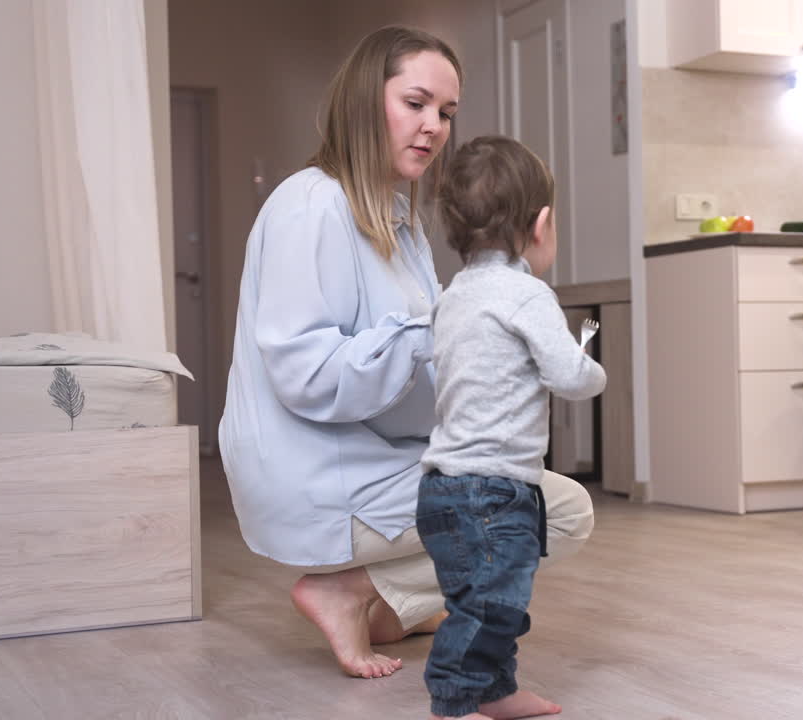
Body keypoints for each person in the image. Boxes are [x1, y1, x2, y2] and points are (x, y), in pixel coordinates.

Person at [217, 26, 594, 682]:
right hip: (318, 469)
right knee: (547, 509)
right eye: (415, 103)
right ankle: (353, 589)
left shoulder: (398, 219)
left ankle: (387, 599)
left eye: (446, 113)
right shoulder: (311, 207)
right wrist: (433, 332)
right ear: (366, 99)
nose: (434, 127)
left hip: (370, 452)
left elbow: (427, 352)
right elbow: (308, 376)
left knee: (509, 486)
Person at [416, 135, 606, 720]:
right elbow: (570, 376)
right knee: (494, 603)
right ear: (541, 223)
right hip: (495, 489)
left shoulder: (451, 297)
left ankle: (494, 691)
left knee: (481, 600)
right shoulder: (528, 294)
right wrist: (591, 363)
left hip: (443, 485)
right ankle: (453, 700)